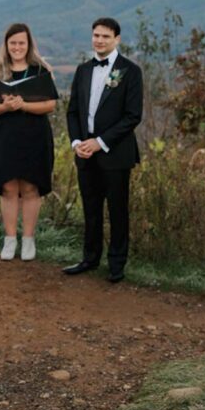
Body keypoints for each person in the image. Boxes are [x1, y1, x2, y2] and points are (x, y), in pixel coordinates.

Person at [63, 17, 143, 283]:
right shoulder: (83, 70)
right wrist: (77, 143)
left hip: (116, 154)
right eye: (96, 35)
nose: (99, 40)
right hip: (85, 153)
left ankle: (117, 264)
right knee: (91, 209)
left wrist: (101, 142)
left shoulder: (130, 71)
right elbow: (73, 111)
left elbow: (133, 116)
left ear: (117, 39)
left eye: (105, 36)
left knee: (118, 210)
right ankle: (89, 258)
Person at [0, 23, 57, 261]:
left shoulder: (41, 70)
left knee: (31, 187)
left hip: (34, 135)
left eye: (21, 43)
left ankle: (29, 239)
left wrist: (23, 105)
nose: (17, 47)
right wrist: (4, 106)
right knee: (9, 187)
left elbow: (50, 104)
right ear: (6, 45)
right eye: (13, 43)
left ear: (29, 44)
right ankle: (10, 239)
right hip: (4, 136)